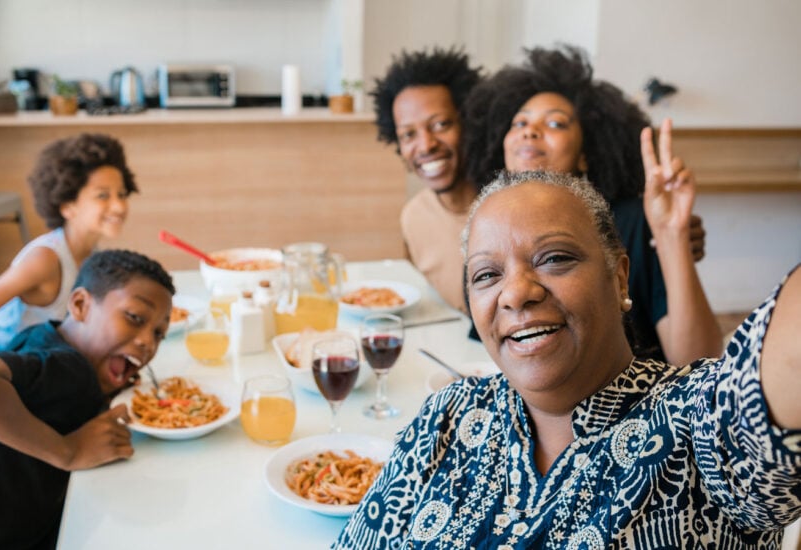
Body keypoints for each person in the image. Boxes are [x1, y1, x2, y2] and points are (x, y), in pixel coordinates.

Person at [334, 168, 801, 549]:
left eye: (554, 258)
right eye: (486, 274)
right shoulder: (449, 416)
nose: (515, 293)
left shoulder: (698, 425)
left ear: (619, 280)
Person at [462, 45, 719, 365]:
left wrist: (673, 236)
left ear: (586, 153)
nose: (529, 130)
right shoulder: (485, 232)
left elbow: (700, 363)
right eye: (519, 123)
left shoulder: (632, 222)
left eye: (555, 123)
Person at [0, 249, 174, 549]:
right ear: (81, 304)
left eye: (159, 333)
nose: (148, 341)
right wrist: (67, 450)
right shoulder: (69, 368)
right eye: (134, 318)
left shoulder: (45, 339)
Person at [0, 133, 138, 436]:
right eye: (103, 195)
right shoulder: (45, 261)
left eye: (122, 193)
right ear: (67, 205)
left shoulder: (92, 256)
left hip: (36, 371)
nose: (118, 206)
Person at [371, 46, 483, 313]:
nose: (426, 145)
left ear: (468, 123)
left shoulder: (512, 207)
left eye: (440, 124)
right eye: (409, 134)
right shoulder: (414, 218)